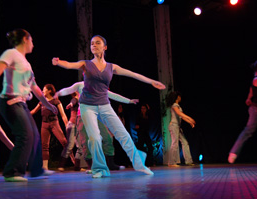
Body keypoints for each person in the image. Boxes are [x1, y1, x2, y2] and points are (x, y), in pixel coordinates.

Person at [52, 35, 166, 178]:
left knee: (123, 134)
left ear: (105, 47)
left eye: (97, 43)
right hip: (87, 106)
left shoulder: (112, 67)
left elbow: (132, 74)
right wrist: (58, 62)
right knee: (94, 138)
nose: (93, 45)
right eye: (92, 43)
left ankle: (140, 165)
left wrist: (151, 82)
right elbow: (69, 65)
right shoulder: (85, 64)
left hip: (105, 105)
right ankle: (100, 169)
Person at [0, 29, 57, 182]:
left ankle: (37, 170)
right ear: (25, 39)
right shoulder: (11, 53)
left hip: (21, 103)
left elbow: (35, 88)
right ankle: (12, 172)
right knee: (25, 135)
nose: (33, 44)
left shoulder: (26, 63)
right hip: (10, 102)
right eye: (31, 40)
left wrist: (48, 105)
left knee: (35, 136)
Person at [56, 81, 136, 172]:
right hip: (82, 116)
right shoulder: (80, 85)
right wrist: (58, 94)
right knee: (85, 142)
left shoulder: (98, 86)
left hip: (96, 116)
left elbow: (112, 95)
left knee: (107, 138)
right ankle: (91, 166)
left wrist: (129, 101)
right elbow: (68, 91)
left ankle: (110, 164)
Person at [30, 84, 75, 171]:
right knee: (44, 145)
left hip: (54, 123)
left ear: (49, 91)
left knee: (64, 142)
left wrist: (66, 125)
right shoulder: (42, 101)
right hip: (44, 124)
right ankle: (45, 166)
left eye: (44, 89)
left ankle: (74, 160)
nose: (42, 91)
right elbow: (34, 111)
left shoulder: (56, 101)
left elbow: (63, 115)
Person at [228, 61, 257, 164]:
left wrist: (249, 98)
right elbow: (252, 88)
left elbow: (250, 91)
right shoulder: (256, 79)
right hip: (255, 109)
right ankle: (233, 153)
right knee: (248, 130)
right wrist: (249, 99)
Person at [166, 91, 196, 167]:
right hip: (174, 126)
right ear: (177, 97)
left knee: (185, 143)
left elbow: (181, 116)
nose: (180, 98)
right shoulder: (174, 105)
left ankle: (188, 161)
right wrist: (189, 118)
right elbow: (179, 114)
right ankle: (172, 162)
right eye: (180, 96)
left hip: (177, 127)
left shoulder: (178, 106)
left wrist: (190, 122)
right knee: (175, 143)